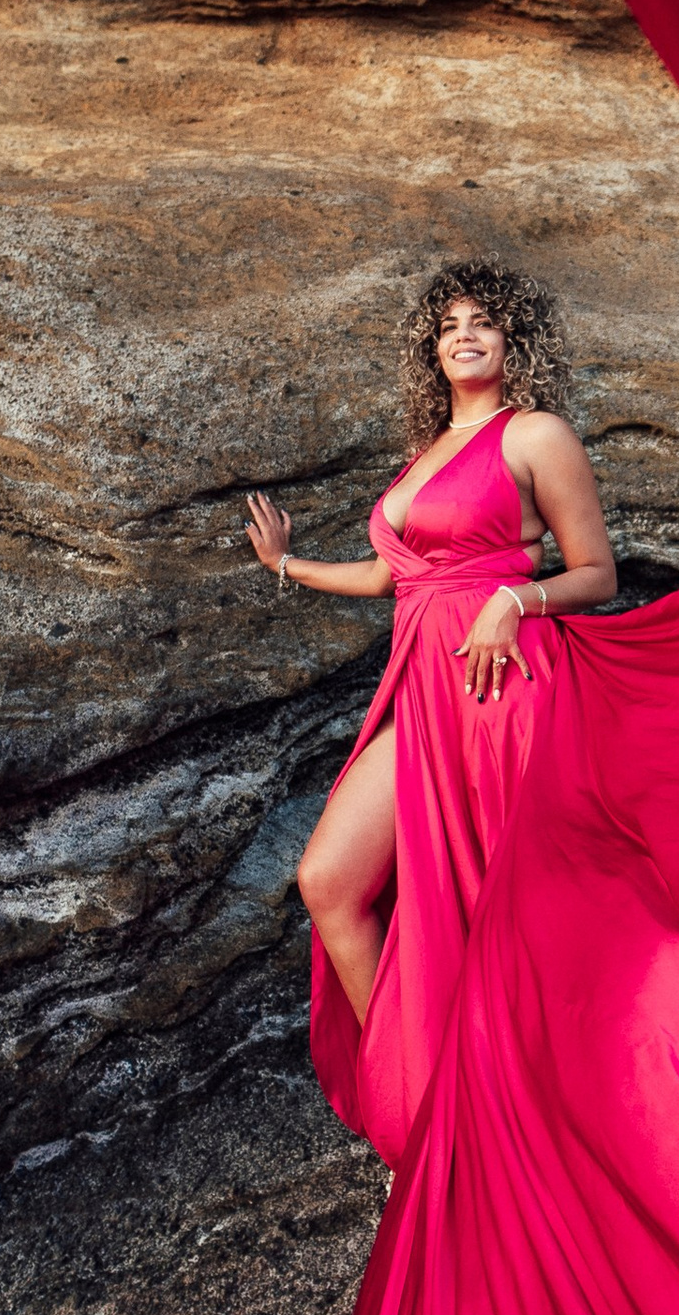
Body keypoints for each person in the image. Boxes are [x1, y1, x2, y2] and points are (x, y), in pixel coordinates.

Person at [245, 259, 615, 1160]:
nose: (464, 334)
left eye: (483, 320)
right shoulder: (424, 457)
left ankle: (513, 1116)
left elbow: (598, 574)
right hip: (421, 687)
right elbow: (389, 576)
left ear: (511, 338)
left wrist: (514, 601)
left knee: (503, 909)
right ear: (432, 349)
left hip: (502, 688)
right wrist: (288, 569)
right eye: (447, 325)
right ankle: (423, 1093)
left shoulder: (535, 436)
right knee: (329, 882)